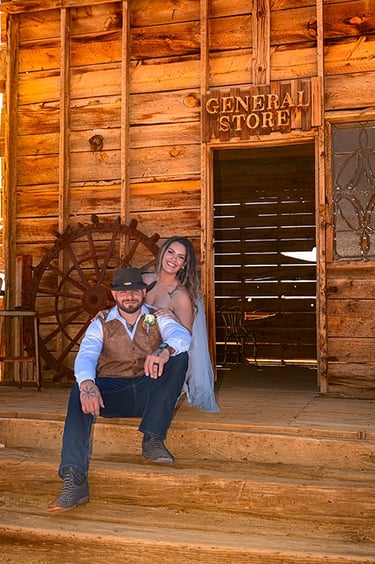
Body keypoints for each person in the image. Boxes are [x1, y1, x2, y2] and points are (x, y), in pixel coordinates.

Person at [48, 267, 192, 512]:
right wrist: (87, 384)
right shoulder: (100, 323)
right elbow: (86, 355)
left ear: (143, 293)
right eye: (124, 292)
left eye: (135, 291)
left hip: (151, 392)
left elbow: (181, 336)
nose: (130, 297)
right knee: (80, 390)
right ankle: (74, 480)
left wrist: (163, 351)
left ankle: (152, 439)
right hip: (115, 393)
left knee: (179, 358)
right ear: (114, 294)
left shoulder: (159, 315)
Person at [143, 236, 220, 413]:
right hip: (139, 342)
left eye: (180, 257)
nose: (173, 259)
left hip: (164, 350)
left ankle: (174, 386)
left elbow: (187, 335)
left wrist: (173, 317)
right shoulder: (144, 280)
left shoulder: (181, 296)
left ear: (184, 264)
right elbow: (126, 305)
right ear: (162, 253)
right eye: (170, 252)